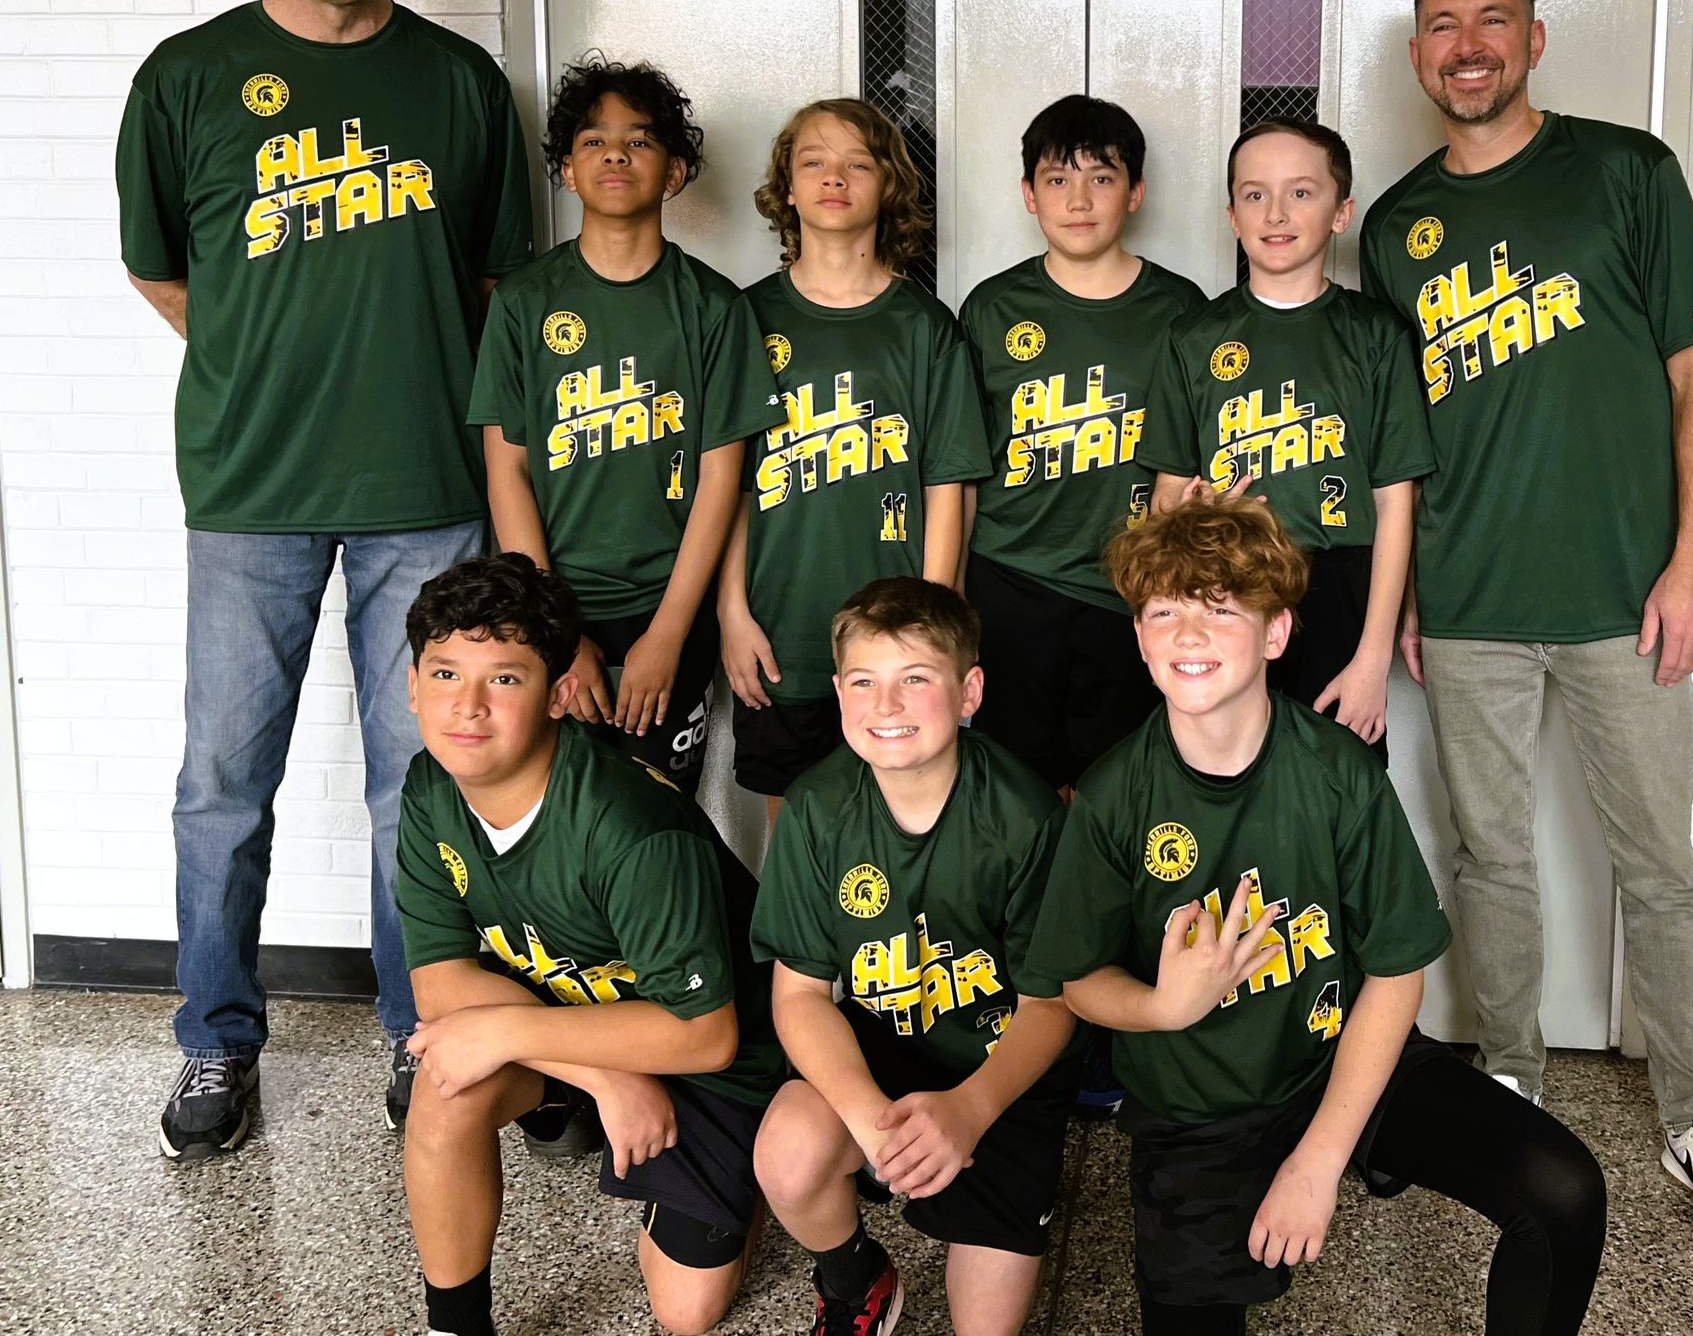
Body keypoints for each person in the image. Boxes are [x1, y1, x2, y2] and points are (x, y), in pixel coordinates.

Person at [115, 0, 535, 1157]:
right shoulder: (189, 75)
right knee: (221, 785)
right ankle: (213, 1045)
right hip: (249, 490)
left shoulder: (462, 84)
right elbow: (163, 268)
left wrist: (392, 375)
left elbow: (490, 286)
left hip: (426, 483)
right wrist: (268, 367)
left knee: (420, 786)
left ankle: (431, 1032)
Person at [1358, 0, 1693, 1251]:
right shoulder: (1394, 227)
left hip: (1624, 599)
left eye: (1493, 19)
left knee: (1659, 868)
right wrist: (1406, 593)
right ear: (1418, 50)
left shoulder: (1626, 174)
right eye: (1442, 23)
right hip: (1470, 601)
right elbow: (1398, 440)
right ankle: (1511, 1094)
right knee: (1490, 863)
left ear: (1533, 40)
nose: (1467, 43)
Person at [1026, 499, 1607, 1335]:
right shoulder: (1116, 796)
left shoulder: (1336, 772)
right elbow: (1078, 979)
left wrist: (1318, 1162)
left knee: (1563, 1189)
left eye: (1220, 609)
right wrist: (1162, 1007)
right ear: (1141, 636)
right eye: (1165, 612)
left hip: (1339, 1063)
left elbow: (1396, 971)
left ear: (1275, 634)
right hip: (1200, 1114)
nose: (1189, 634)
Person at [395, 553, 784, 1336]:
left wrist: (511, 1031)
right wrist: (605, 1077)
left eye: (503, 679)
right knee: (444, 1089)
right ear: (412, 687)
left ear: (556, 694)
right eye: (444, 675)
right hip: (585, 1027)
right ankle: (455, 1326)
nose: (467, 707)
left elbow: (705, 1035)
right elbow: (442, 986)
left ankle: (756, 1184)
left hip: (720, 1061)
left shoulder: (627, 826)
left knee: (687, 1314)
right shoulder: (430, 787)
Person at [750, 577, 1079, 1336]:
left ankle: (1014, 1191)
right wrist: (870, 1123)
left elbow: (1051, 1005)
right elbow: (798, 995)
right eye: (864, 682)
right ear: (837, 694)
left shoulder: (1024, 815)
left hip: (998, 1071)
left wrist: (970, 1109)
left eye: (915, 680)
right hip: (883, 1049)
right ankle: (854, 1276)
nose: (885, 706)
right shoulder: (814, 809)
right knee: (789, 1155)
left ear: (969, 693)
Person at [468, 56, 767, 793]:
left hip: (670, 609)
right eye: (594, 142)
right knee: (558, 816)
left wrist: (668, 634)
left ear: (674, 172)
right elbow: (507, 468)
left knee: (658, 820)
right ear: (566, 170)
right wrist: (555, 632)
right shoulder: (525, 302)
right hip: (554, 610)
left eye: (638, 141)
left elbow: (721, 479)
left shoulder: (714, 308)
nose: (615, 156)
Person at [720, 99, 991, 822]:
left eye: (857, 163)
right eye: (813, 162)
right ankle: (797, 945)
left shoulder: (924, 327)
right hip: (782, 631)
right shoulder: (746, 318)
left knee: (906, 811)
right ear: (786, 189)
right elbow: (728, 488)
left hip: (896, 638)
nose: (833, 178)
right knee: (796, 824)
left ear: (888, 186)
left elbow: (948, 486)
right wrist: (731, 611)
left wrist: (933, 630)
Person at [1142, 119, 1432, 762]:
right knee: (1227, 778)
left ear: (1341, 212)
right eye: (1254, 194)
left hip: (1340, 585)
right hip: (1225, 588)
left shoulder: (1375, 335)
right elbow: (1165, 493)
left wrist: (1371, 659)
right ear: (1232, 214)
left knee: (1337, 783)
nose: (1275, 213)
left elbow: (1395, 504)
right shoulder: (1194, 336)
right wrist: (1190, 516)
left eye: (1301, 193)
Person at [958, 95, 1207, 794]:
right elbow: (962, 470)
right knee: (1011, 791)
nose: (1079, 199)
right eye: (1057, 179)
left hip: (1125, 589)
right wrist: (952, 590)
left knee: (1121, 791)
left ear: (1136, 192)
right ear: (1028, 195)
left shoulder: (1181, 310)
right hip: (1009, 581)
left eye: (1101, 177)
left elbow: (1182, 469)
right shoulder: (990, 309)